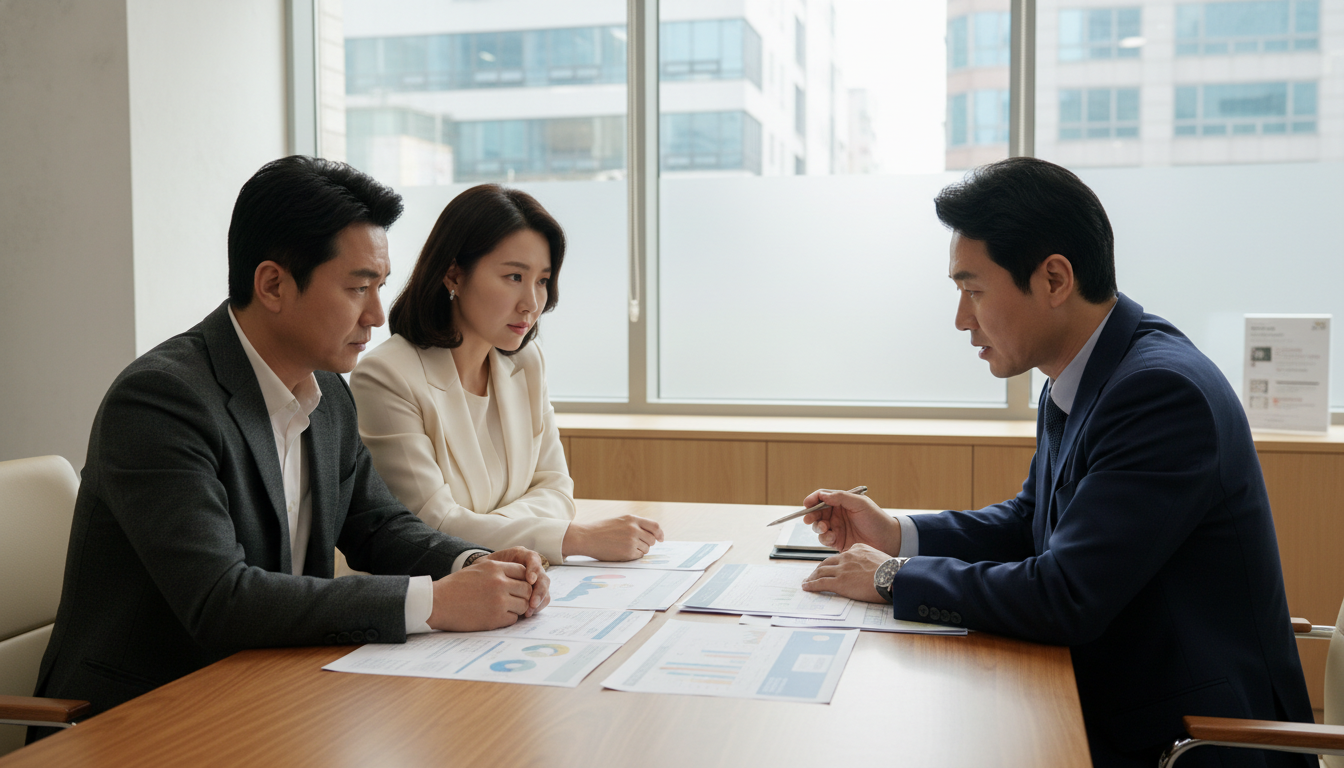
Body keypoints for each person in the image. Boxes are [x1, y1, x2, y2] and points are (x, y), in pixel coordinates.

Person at [799, 157, 1313, 767]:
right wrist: (899, 534)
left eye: (973, 291)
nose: (961, 319)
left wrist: (891, 578)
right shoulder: (1085, 373)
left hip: (1186, 741)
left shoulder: (1160, 394)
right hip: (1112, 702)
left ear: (1054, 279)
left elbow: (1066, 594)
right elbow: (1030, 524)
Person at [31, 157, 550, 731]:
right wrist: (437, 602)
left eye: (379, 286)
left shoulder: (327, 392)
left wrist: (475, 563)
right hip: (138, 718)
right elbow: (221, 599)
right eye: (358, 288)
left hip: (267, 696)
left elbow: (380, 528)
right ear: (273, 284)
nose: (377, 315)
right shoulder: (160, 402)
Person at [350, 184, 663, 564]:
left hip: (515, 584)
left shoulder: (527, 362)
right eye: (514, 277)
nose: (531, 303)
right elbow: (428, 528)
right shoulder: (386, 375)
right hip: (434, 595)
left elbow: (557, 490)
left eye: (542, 281)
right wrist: (571, 538)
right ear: (453, 275)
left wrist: (482, 526)